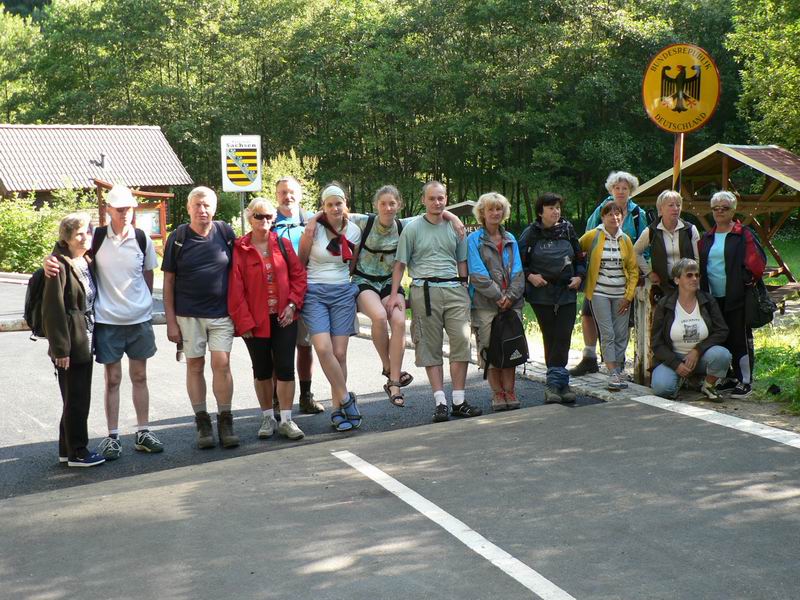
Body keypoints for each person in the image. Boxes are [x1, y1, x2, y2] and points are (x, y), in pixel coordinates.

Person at [44, 184, 164, 460]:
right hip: (108, 321)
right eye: (119, 210)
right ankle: (113, 436)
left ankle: (143, 431)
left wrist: (142, 302)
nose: (125, 215)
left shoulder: (142, 238)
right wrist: (47, 261)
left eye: (129, 209)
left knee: (140, 376)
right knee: (112, 379)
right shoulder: (95, 238)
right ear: (108, 211)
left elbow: (147, 276)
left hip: (139, 319)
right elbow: (66, 252)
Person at [346, 185, 463, 407]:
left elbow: (433, 210)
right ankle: (389, 368)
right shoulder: (364, 221)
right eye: (383, 204)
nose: (388, 208)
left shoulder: (405, 225)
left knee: (399, 321)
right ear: (376, 205)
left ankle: (394, 384)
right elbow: (336, 210)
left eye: (392, 204)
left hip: (391, 283)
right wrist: (313, 222)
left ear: (399, 205)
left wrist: (453, 217)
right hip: (365, 280)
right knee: (380, 316)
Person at [388, 181, 482, 423]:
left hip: (454, 288)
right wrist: (394, 294)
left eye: (441, 198)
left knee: (461, 342)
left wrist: (464, 287)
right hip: (424, 290)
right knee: (430, 346)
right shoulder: (412, 228)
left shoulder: (455, 228)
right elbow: (400, 264)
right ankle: (440, 401)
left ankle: (459, 400)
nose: (437, 202)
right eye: (432, 198)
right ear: (423, 201)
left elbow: (462, 261)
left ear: (446, 198)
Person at [162, 186, 239, 448]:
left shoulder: (226, 233)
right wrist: (171, 321)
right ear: (188, 208)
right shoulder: (178, 237)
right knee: (195, 366)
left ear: (214, 208)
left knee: (222, 364)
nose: (202, 210)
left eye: (206, 205)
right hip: (188, 315)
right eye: (197, 205)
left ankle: (225, 420)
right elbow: (168, 281)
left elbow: (239, 273)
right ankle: (202, 422)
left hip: (221, 314)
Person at [228, 198, 308, 440]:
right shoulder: (240, 248)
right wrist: (245, 323)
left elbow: (299, 277)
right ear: (249, 217)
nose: (264, 221)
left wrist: (293, 305)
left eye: (268, 217)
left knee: (285, 368)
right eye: (258, 216)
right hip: (255, 321)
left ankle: (286, 419)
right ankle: (267, 418)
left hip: (284, 317)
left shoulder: (282, 244)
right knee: (262, 370)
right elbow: (235, 289)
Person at [297, 183, 362, 432]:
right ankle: (346, 399)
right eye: (329, 204)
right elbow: (301, 262)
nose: (335, 208)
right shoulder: (312, 230)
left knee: (340, 353)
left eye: (339, 203)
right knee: (323, 348)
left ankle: (337, 410)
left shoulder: (354, 230)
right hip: (314, 291)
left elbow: (351, 264)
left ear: (345, 204)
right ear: (323, 207)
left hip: (342, 293)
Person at [571, 171, 648, 376]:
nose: (621, 192)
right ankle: (589, 357)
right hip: (598, 277)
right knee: (588, 314)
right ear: (611, 190)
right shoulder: (601, 210)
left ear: (630, 190)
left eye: (625, 188)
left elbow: (645, 244)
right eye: (617, 188)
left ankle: (618, 364)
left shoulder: (637, 214)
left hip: (625, 276)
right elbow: (586, 240)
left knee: (622, 323)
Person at [42, 213, 104, 467]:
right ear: (66, 238)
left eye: (87, 231)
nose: (84, 237)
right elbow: (53, 309)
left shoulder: (84, 259)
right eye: (78, 233)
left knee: (74, 396)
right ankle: (78, 451)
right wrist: (61, 349)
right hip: (71, 343)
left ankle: (65, 449)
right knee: (77, 398)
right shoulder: (58, 265)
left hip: (84, 338)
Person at [698, 191, 766, 398]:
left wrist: (742, 282)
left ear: (733, 210)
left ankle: (745, 380)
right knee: (721, 337)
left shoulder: (742, 233)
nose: (719, 211)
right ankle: (729, 377)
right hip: (713, 296)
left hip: (737, 296)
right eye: (715, 208)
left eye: (724, 208)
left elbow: (757, 263)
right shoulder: (707, 237)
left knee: (740, 338)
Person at [519, 192, 585, 404]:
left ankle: (556, 383)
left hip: (566, 291)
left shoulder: (568, 230)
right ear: (541, 212)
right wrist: (531, 276)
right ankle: (558, 384)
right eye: (550, 208)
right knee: (551, 335)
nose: (556, 211)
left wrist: (579, 276)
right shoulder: (530, 234)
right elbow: (519, 262)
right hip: (541, 292)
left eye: (557, 207)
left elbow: (580, 257)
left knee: (564, 334)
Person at [467, 192, 525, 411]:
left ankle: (510, 391)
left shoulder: (511, 238)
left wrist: (509, 297)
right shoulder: (473, 240)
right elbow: (477, 273)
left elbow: (518, 271)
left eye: (499, 209)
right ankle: (497, 393)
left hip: (512, 303)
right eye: (490, 209)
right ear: (482, 213)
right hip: (485, 304)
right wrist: (498, 296)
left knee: (511, 346)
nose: (495, 213)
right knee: (490, 347)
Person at [272, 176, 323, 415]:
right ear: (276, 196)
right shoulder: (268, 221)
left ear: (300, 195)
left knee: (305, 346)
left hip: (307, 292)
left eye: (291, 192)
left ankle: (305, 395)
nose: (287, 196)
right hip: (278, 295)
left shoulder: (312, 220)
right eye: (283, 192)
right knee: (278, 349)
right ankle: (276, 398)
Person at [651, 259, 732, 401]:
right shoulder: (665, 304)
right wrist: (675, 364)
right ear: (677, 280)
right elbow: (656, 342)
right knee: (661, 389)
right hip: (672, 357)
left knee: (723, 355)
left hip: (701, 356)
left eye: (697, 275)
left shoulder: (707, 300)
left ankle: (708, 385)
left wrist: (697, 350)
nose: (694, 279)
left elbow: (722, 331)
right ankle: (683, 379)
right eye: (689, 275)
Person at [579, 203, 639, 390]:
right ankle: (612, 372)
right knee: (608, 333)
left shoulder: (626, 239)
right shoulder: (594, 236)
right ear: (603, 217)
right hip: (599, 293)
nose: (614, 217)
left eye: (618, 214)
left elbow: (633, 269)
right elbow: (576, 249)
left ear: (622, 217)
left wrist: (628, 296)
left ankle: (619, 369)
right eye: (610, 214)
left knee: (621, 333)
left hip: (621, 294)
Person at [633, 189, 700, 299]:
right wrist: (649, 273)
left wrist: (696, 280)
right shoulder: (651, 231)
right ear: (661, 208)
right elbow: (635, 252)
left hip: (687, 286)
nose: (675, 209)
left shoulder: (690, 229)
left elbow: (698, 259)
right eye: (671, 205)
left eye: (678, 205)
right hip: (663, 287)